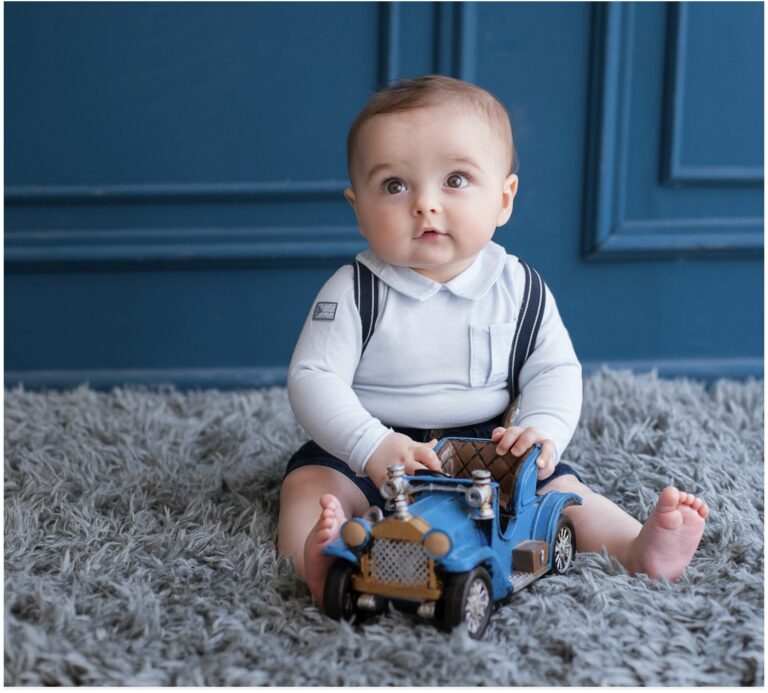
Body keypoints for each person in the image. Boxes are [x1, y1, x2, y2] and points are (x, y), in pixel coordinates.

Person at [277, 75, 708, 605]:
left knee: (562, 494)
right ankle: (318, 563)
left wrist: (541, 431)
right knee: (310, 489)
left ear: (504, 199)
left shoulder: (520, 288)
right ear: (358, 208)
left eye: (455, 180)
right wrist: (369, 445)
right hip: (371, 442)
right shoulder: (354, 291)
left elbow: (553, 370)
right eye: (394, 185)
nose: (425, 204)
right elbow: (313, 377)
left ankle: (635, 546)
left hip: (488, 445)